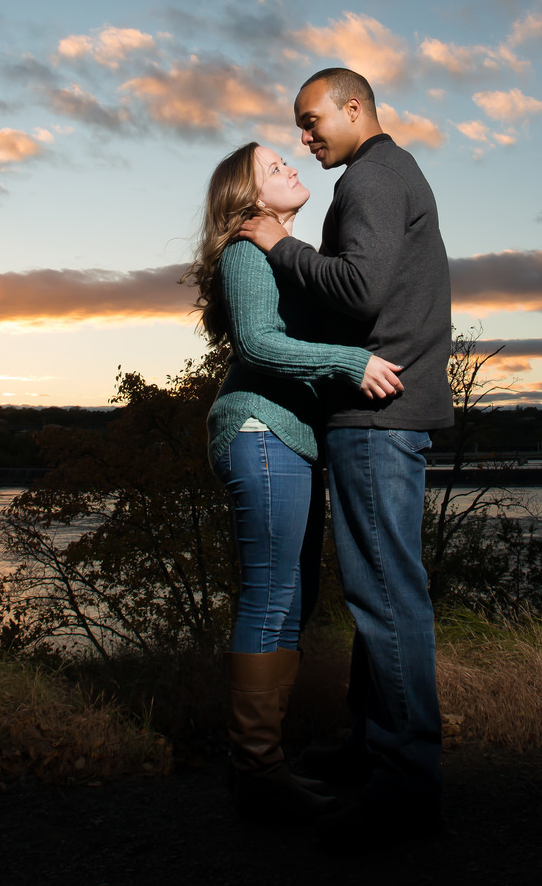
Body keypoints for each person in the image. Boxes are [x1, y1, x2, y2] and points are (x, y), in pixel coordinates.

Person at [236, 66, 454, 849]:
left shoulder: (371, 178)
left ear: (353, 107)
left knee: (387, 594)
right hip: (385, 414)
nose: (304, 137)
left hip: (376, 416)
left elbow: (359, 290)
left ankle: (405, 781)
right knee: (381, 592)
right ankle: (371, 745)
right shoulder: (389, 173)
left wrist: (279, 244)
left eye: (311, 120)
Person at [187, 140, 406, 824]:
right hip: (260, 431)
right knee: (271, 597)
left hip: (288, 439)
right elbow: (257, 343)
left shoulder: (278, 251)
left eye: (287, 158)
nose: (290, 166)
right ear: (247, 197)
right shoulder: (245, 252)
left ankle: (265, 766)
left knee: (294, 598)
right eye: (273, 165)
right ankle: (256, 770)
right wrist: (351, 362)